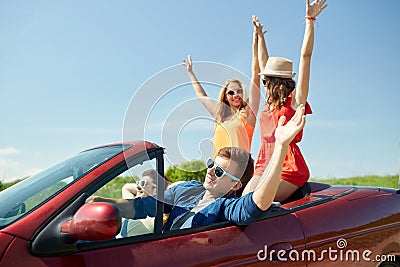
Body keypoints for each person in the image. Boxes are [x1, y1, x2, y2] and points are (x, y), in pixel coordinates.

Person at [88, 105, 306, 232]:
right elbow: (143, 207)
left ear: (235, 184)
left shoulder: (225, 207)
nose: (210, 171)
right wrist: (103, 203)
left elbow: (257, 203)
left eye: (219, 172)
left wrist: (280, 147)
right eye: (212, 165)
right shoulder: (187, 190)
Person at [243, 0, 328, 202]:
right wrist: (260, 36)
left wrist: (310, 20)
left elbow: (305, 57)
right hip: (265, 162)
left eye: (266, 80)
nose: (262, 82)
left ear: (275, 82)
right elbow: (264, 62)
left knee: (257, 203)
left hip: (288, 166)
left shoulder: (296, 100)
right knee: (244, 201)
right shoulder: (269, 101)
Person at [182, 21, 261, 157]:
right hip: (218, 170)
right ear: (225, 96)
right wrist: (190, 72)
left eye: (239, 91)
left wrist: (256, 41)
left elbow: (255, 77)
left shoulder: (248, 114)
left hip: (239, 170)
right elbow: (202, 95)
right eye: (231, 92)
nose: (236, 94)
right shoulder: (220, 116)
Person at [118, 169, 159, 237]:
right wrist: (143, 188)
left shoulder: (157, 214)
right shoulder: (132, 203)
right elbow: (126, 187)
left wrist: (151, 193)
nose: (138, 186)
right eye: (138, 183)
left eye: (143, 183)